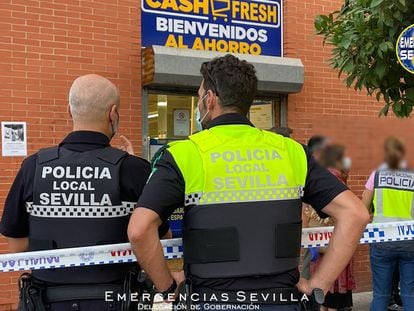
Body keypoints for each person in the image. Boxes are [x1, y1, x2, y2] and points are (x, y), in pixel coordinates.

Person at [127, 54, 370, 310]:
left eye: (200, 97)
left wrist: (168, 286)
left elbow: (139, 230)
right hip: (280, 301)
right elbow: (355, 214)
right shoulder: (291, 152)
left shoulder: (183, 154)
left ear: (209, 100)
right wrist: (318, 284)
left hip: (212, 301)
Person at [0, 74, 170, 311]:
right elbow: (160, 239)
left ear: (69, 111)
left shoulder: (33, 167)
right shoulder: (133, 169)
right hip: (117, 300)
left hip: (46, 301)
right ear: (113, 114)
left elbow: (17, 248)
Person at [362, 137, 413, 311]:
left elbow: (363, 206)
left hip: (382, 239)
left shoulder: (377, 174)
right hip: (410, 240)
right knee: (410, 293)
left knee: (381, 294)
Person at [308, 145, 355, 311]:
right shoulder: (335, 176)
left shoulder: (319, 174)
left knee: (323, 297)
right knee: (333, 296)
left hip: (318, 237)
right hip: (334, 237)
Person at [301, 135, 331, 280]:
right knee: (310, 260)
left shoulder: (324, 169)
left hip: (325, 225)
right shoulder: (309, 168)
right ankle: (306, 296)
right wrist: (306, 225)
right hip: (313, 224)